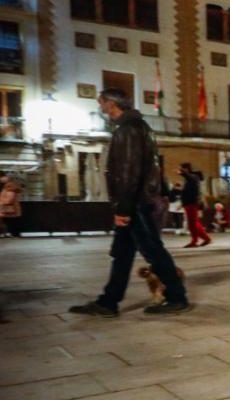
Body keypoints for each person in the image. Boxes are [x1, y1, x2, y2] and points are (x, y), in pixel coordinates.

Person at [69, 88, 190, 316]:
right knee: (122, 253)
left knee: (153, 251)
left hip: (136, 204)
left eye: (101, 103)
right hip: (136, 201)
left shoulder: (128, 130)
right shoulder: (137, 128)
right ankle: (108, 302)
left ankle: (176, 296)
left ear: (112, 104)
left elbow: (128, 172)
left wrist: (123, 208)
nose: (100, 108)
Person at [174, 162, 211, 248]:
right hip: (188, 203)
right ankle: (205, 239)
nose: (180, 170)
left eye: (181, 168)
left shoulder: (194, 177)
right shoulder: (189, 179)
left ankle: (195, 241)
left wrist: (183, 173)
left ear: (186, 169)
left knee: (192, 223)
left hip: (192, 203)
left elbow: (189, 176)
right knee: (194, 223)